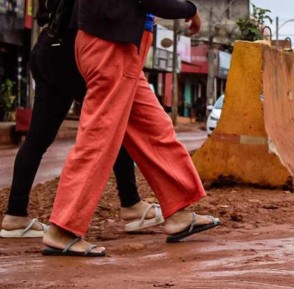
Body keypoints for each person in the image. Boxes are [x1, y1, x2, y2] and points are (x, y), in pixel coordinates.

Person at [42, 0, 220, 257]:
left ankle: (178, 212)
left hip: (120, 45)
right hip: (111, 46)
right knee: (99, 137)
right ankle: (63, 229)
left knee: (154, 128)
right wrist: (189, 10)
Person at [0, 0, 162, 239]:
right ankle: (132, 205)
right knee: (112, 122)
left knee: (37, 140)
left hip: (47, 48)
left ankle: (15, 216)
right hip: (70, 53)